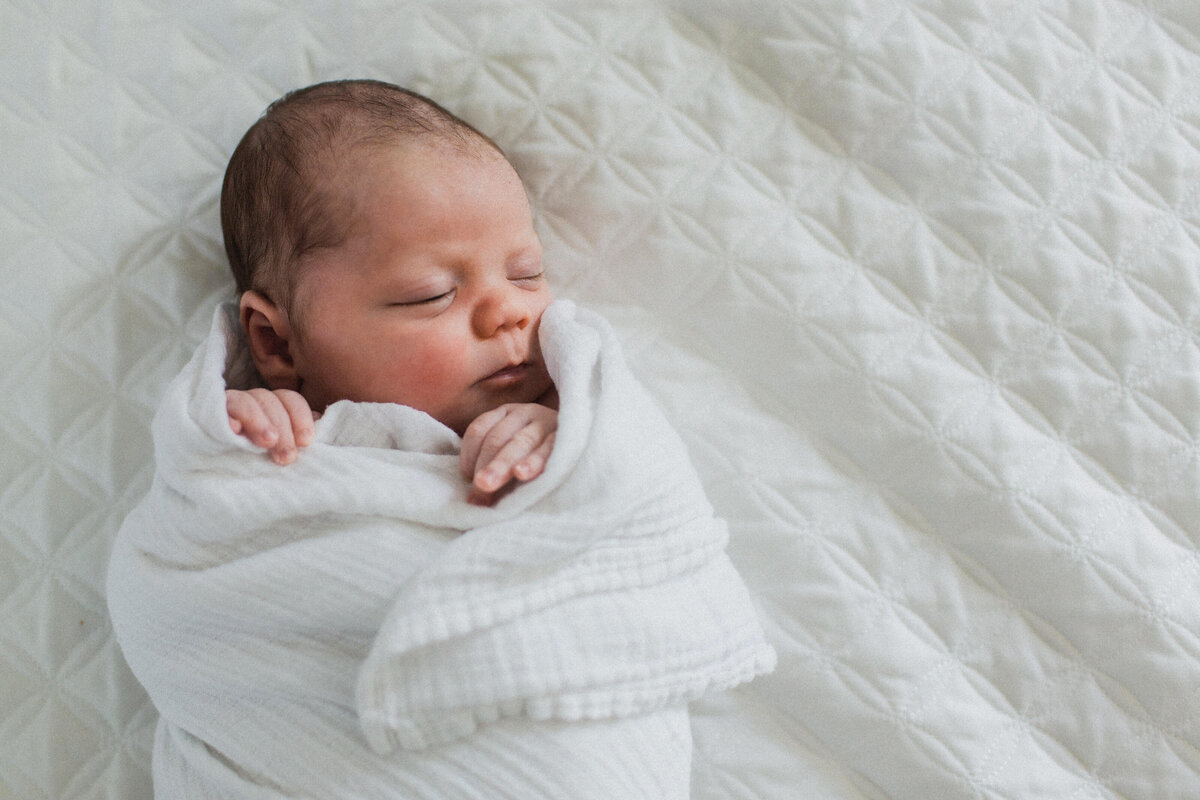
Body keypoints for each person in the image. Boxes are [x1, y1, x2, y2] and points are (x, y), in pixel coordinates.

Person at [220, 78, 558, 505]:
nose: (509, 311)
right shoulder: (279, 432)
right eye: (433, 295)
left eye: (526, 274)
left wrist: (564, 437)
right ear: (277, 344)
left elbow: (630, 466)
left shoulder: (572, 404)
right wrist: (234, 438)